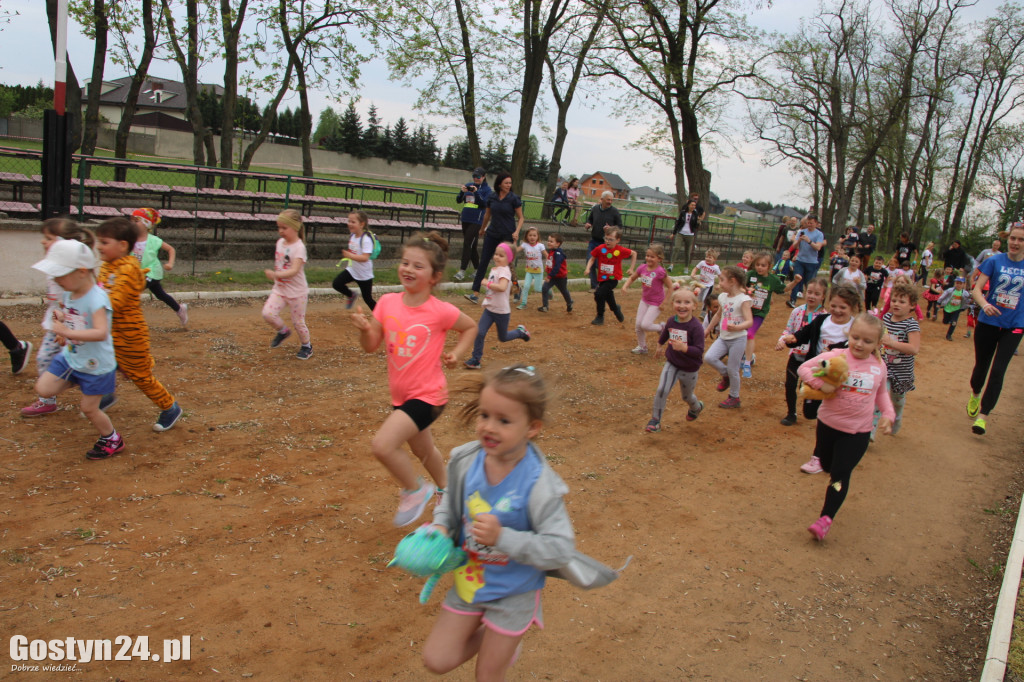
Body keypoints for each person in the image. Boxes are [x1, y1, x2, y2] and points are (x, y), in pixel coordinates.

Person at [423, 365, 611, 680]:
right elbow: (450, 506)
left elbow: (560, 549)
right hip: (471, 582)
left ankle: (506, 638)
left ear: (532, 427)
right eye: (485, 415)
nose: (489, 427)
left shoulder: (539, 484)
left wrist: (503, 538)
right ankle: (498, 641)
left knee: (487, 676)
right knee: (436, 659)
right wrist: (441, 526)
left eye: (504, 420)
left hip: (515, 592)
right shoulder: (466, 460)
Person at [350, 232, 477, 526]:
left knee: (382, 445)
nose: (408, 269)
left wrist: (457, 353)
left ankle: (415, 490)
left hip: (429, 395)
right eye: (405, 262)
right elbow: (371, 346)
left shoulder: (440, 311)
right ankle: (450, 492)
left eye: (418, 266)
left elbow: (470, 326)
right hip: (402, 396)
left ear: (434, 277)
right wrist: (363, 329)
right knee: (423, 450)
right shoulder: (387, 304)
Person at [800, 313, 895, 541]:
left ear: (878, 344)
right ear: (848, 335)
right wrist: (820, 384)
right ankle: (830, 475)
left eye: (867, 341)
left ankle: (825, 519)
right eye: (856, 337)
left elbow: (881, 393)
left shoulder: (878, 366)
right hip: (828, 424)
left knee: (840, 474)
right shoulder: (835, 356)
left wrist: (889, 414)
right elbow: (804, 367)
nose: (859, 344)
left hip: (857, 432)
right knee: (826, 464)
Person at [30, 239, 123, 460]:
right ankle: (78, 380)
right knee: (44, 389)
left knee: (89, 409)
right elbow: (75, 317)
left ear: (82, 272)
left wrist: (68, 333)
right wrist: (63, 322)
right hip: (73, 357)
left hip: (96, 364)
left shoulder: (97, 298)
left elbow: (101, 332)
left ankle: (112, 438)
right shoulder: (70, 293)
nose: (56, 280)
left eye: (60, 275)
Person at [95, 218, 184, 432]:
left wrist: (86, 303)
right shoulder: (108, 265)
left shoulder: (127, 269)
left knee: (141, 377)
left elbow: (113, 302)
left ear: (123, 245)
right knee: (102, 363)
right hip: (110, 333)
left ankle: (170, 407)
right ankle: (106, 394)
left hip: (129, 336)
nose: (99, 247)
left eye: (104, 242)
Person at [21, 219, 95, 417]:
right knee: (47, 359)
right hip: (59, 325)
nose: (43, 242)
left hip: (70, 326)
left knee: (83, 361)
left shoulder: (73, 273)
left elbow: (77, 304)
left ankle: (100, 391)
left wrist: (66, 329)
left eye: (48, 238)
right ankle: (48, 399)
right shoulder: (54, 268)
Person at [783, 285, 862, 462]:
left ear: (852, 308)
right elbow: (806, 333)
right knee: (810, 413)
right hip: (817, 372)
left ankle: (823, 452)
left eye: (843, 307)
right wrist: (794, 339)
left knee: (829, 417)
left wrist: (834, 349)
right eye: (834, 305)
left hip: (840, 378)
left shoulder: (855, 326)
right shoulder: (822, 320)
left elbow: (856, 346)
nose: (837, 310)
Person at [965, 222, 1024, 435]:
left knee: (998, 370)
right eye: (1013, 238)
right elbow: (977, 289)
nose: (1016, 243)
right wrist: (985, 305)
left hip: (1015, 326)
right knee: (982, 365)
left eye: (1021, 239)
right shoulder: (994, 261)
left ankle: (983, 415)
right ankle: (975, 393)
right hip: (988, 322)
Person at [646, 287, 706, 432]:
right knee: (661, 389)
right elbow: (666, 333)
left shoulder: (696, 327)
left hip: (689, 368)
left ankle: (696, 407)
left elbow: (699, 350)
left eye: (687, 302)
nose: (682, 306)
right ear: (673, 304)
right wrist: (660, 345)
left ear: (694, 306)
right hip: (672, 363)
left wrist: (685, 348)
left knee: (687, 396)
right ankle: (655, 420)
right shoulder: (671, 320)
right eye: (678, 302)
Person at [465, 242, 531, 370]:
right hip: (490, 309)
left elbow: (502, 287)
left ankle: (520, 332)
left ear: (509, 259)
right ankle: (476, 359)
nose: (497, 257)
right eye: (496, 254)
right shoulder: (494, 269)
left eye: (501, 255)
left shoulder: (505, 272)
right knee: (479, 332)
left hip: (501, 312)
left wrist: (486, 283)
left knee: (503, 337)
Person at [776, 277, 828, 426]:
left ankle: (816, 410)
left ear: (823, 296)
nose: (812, 296)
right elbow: (788, 329)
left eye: (817, 294)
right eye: (809, 292)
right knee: (790, 385)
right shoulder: (797, 311)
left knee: (806, 387)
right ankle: (791, 413)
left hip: (812, 359)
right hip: (795, 355)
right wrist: (782, 340)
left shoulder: (825, 317)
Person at [263, 209, 313, 360]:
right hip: (280, 289)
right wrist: (277, 277)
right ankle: (283, 331)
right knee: (268, 314)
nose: (281, 231)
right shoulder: (280, 243)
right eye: (279, 227)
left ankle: (307, 346)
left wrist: (276, 275)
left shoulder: (299, 247)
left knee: (298, 323)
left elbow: (294, 270)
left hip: (297, 292)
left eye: (284, 228)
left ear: (296, 227)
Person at [467, 173, 524, 303]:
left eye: (510, 183)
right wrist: (482, 229)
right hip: (492, 233)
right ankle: (475, 292)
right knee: (484, 261)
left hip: (507, 234)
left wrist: (517, 231)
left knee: (507, 264)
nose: (509, 185)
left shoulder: (514, 198)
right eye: (506, 183)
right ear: (499, 184)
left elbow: (521, 218)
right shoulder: (492, 197)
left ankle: (516, 288)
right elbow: (487, 215)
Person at [743, 252, 802, 377]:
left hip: (759, 312)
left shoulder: (773, 280)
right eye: (758, 265)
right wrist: (747, 291)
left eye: (763, 265)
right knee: (741, 335)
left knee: (749, 334)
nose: (759, 267)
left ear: (769, 266)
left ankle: (747, 364)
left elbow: (784, 289)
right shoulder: (750, 274)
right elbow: (740, 285)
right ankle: (749, 356)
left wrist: (795, 282)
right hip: (745, 310)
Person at [874, 282, 921, 437]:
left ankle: (897, 416)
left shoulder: (911, 325)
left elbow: (914, 349)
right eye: (894, 300)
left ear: (912, 305)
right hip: (885, 367)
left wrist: (892, 343)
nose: (896, 304)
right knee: (880, 396)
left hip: (902, 371)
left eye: (902, 302)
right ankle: (871, 431)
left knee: (898, 400)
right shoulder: (886, 318)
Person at [704, 265, 753, 409]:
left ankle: (734, 397)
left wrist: (737, 327)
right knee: (709, 357)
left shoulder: (743, 300)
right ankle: (726, 376)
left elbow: (749, 321)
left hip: (738, 338)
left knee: (733, 368)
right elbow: (719, 314)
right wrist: (708, 329)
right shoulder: (722, 297)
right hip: (723, 337)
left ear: (732, 281)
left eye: (722, 280)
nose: (719, 283)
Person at [130, 208, 188, 326]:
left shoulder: (154, 240)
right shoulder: (130, 239)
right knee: (160, 294)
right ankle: (179, 309)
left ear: (146, 224)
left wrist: (170, 263)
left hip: (152, 272)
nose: (132, 223)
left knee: (134, 290)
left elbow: (171, 249)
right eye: (131, 220)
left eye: (136, 221)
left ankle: (131, 319)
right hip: (139, 272)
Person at [623, 244, 673, 354]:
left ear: (659, 259)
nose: (649, 258)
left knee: (645, 325)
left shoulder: (660, 272)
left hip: (656, 302)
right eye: (647, 256)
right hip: (645, 300)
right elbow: (632, 277)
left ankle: (662, 328)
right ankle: (642, 347)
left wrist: (664, 303)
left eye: (652, 256)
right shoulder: (642, 268)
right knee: (638, 325)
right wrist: (625, 286)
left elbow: (670, 287)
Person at [583, 225, 636, 325]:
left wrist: (631, 268)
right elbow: (592, 258)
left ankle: (600, 316)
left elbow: (634, 253)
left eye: (611, 239)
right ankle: (616, 309)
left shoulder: (619, 250)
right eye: (606, 238)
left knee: (598, 294)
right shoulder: (600, 248)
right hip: (602, 278)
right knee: (606, 295)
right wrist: (588, 268)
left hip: (613, 279)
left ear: (617, 240)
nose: (607, 241)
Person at [332, 210, 377, 311]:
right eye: (349, 221)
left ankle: (381, 316)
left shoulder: (366, 239)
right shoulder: (352, 236)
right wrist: (350, 255)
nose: (350, 224)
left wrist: (350, 256)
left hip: (364, 275)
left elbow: (365, 258)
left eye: (353, 222)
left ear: (362, 224)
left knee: (368, 299)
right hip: (352, 270)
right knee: (337, 284)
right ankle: (351, 295)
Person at [454, 168, 492, 282]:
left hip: (477, 221)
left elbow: (484, 203)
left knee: (467, 243)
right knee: (472, 245)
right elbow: (458, 200)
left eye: (478, 177)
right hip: (466, 218)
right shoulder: (469, 185)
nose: (476, 179)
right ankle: (478, 270)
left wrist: (476, 192)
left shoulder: (487, 190)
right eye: (474, 176)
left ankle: (462, 270)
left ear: (484, 177)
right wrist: (462, 192)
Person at [583, 191, 623, 290]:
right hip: (594, 240)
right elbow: (590, 219)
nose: (610, 202)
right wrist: (588, 224)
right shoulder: (595, 208)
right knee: (589, 260)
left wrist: (611, 228)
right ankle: (594, 285)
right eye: (608, 200)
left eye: (611, 200)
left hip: (606, 243)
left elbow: (620, 227)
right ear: (602, 199)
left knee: (601, 264)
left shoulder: (614, 211)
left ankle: (603, 285)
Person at [787, 214, 826, 307]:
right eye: (808, 222)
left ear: (816, 223)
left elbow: (818, 247)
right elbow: (795, 246)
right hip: (800, 260)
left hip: (812, 262)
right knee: (796, 279)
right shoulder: (801, 231)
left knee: (809, 284)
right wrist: (799, 240)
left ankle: (811, 302)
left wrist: (809, 241)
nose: (809, 224)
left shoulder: (819, 234)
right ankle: (792, 300)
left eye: (811, 223)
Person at [538, 233, 572, 313]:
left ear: (557, 244)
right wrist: (548, 271)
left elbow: (557, 267)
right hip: (553, 277)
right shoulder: (552, 252)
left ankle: (569, 303)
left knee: (564, 291)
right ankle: (545, 306)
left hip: (560, 277)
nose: (549, 242)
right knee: (545, 288)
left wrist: (549, 276)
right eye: (548, 241)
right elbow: (550, 264)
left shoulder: (558, 254)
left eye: (551, 241)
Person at [515, 227, 546, 310]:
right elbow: (516, 250)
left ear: (537, 236)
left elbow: (547, 255)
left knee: (538, 289)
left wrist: (551, 263)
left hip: (538, 271)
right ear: (527, 236)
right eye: (530, 235)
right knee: (526, 286)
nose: (532, 237)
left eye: (534, 235)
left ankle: (548, 290)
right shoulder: (525, 245)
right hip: (529, 271)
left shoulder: (540, 246)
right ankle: (524, 303)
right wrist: (515, 241)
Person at [669, 199, 700, 272]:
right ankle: (671, 265)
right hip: (681, 233)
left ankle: (686, 267)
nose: (693, 206)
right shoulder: (683, 213)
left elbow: (695, 225)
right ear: (688, 205)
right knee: (677, 248)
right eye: (692, 205)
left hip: (690, 234)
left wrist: (698, 222)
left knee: (687, 251)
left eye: (694, 205)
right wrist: (674, 233)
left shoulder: (695, 214)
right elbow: (678, 223)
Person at [938, 277, 970, 341]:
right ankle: (948, 320)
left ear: (963, 284)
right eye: (957, 283)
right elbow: (943, 295)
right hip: (947, 308)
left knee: (954, 322)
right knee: (945, 321)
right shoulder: (950, 290)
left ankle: (949, 335)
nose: (958, 285)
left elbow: (967, 301)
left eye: (960, 283)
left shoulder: (965, 293)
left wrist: (965, 307)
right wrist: (939, 302)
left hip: (956, 309)